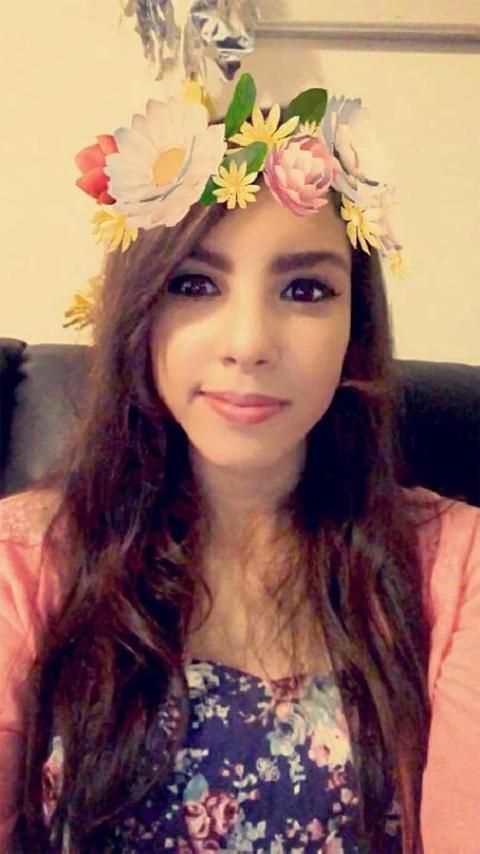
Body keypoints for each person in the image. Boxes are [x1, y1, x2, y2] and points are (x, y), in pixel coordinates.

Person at [0, 75, 479, 854]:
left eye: (305, 288)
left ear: (354, 326)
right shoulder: (21, 563)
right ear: (137, 312)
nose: (249, 342)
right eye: (194, 284)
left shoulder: (458, 571)